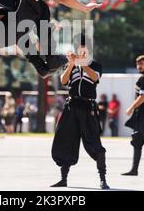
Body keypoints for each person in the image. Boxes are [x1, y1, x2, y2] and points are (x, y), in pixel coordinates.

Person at [51, 34, 110, 190]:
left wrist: (82, 63)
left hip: (88, 108)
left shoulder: (96, 65)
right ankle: (63, 179)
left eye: (83, 46)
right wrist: (71, 64)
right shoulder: (71, 66)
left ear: (88, 49)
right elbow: (64, 81)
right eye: (78, 46)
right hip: (71, 107)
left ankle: (103, 179)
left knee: (94, 143)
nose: (81, 49)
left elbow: (94, 77)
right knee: (66, 141)